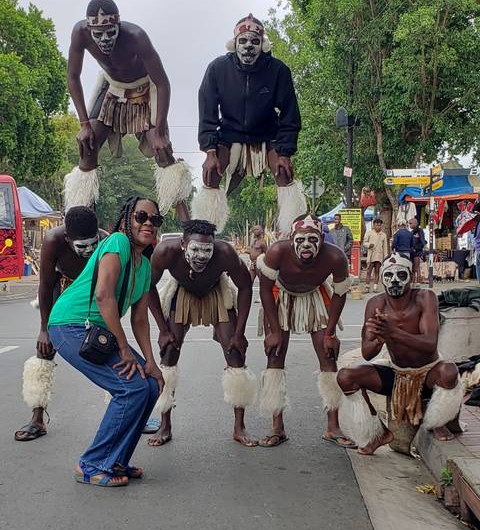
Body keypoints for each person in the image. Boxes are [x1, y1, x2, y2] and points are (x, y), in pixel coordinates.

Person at [47, 197, 165, 487]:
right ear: (127, 219)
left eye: (155, 219)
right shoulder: (117, 244)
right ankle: (92, 465)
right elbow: (103, 295)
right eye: (141, 217)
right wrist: (124, 349)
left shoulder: (145, 265)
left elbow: (140, 318)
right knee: (131, 388)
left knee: (150, 385)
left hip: (97, 333)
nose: (148, 223)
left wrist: (151, 362)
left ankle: (116, 461)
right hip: (70, 325)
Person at [64, 0, 191, 216]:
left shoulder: (136, 37)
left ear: (118, 25)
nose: (104, 40)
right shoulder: (79, 33)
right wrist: (84, 124)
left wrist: (159, 132)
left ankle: (189, 226)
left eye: (110, 33)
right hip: (112, 88)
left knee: (162, 150)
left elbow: (162, 83)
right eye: (98, 34)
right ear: (89, 28)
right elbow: (73, 77)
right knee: (88, 145)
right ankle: (80, 221)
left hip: (145, 88)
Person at [336, 254, 464, 455]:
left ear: (411, 277)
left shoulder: (425, 297)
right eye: (389, 276)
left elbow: (430, 344)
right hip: (397, 375)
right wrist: (379, 338)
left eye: (401, 274)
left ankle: (437, 422)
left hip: (429, 373)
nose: (394, 280)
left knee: (449, 372)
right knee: (345, 376)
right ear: (382, 278)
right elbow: (367, 354)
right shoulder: (375, 304)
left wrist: (392, 332)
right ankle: (378, 433)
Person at [192, 13, 306, 235]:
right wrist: (209, 150)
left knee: (285, 173)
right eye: (242, 41)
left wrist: (284, 152)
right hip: (230, 133)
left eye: (254, 41)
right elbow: (207, 112)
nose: (248, 47)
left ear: (262, 45)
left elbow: (290, 114)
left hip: (266, 134)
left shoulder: (278, 70)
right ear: (234, 43)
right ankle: (203, 232)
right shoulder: (217, 68)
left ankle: (294, 233)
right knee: (211, 173)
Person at [148, 219, 257, 448]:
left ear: (214, 246)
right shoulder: (165, 252)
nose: (200, 256)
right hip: (182, 291)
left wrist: (239, 333)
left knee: (235, 353)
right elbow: (147, 286)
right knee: (169, 352)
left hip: (217, 290)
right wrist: (162, 329)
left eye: (207, 250)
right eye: (195, 249)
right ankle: (164, 425)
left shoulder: (225, 253)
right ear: (182, 244)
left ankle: (239, 427)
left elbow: (245, 287)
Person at [256, 213, 355, 448]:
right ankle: (277, 427)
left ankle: (333, 426)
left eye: (313, 239)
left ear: (322, 238)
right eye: (300, 240)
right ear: (291, 239)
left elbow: (340, 293)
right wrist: (274, 331)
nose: (307, 245)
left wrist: (330, 333)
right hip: (281, 296)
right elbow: (264, 290)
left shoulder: (335, 256)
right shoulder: (277, 252)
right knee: (275, 356)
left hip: (315, 296)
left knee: (328, 356)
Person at [15, 207, 108, 442]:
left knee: (108, 347)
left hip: (94, 293)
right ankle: (37, 417)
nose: (88, 251)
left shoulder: (106, 241)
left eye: (92, 244)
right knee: (43, 351)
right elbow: (45, 286)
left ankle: (124, 409)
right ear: (67, 239)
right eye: (81, 246)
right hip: (63, 289)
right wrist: (44, 329)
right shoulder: (53, 241)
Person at [363, 218, 388, 292]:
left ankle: (375, 287)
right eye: (377, 225)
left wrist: (385, 257)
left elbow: (385, 247)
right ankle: (367, 287)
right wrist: (369, 245)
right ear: (374, 225)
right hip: (371, 255)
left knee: (377, 271)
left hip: (379, 256)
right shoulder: (369, 233)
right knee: (369, 271)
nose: (378, 227)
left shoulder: (383, 235)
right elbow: (364, 242)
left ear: (381, 226)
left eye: (379, 225)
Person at [409, 217, 426, 286]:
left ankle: (418, 281)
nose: (409, 225)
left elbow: (422, 242)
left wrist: (417, 248)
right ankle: (413, 281)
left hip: (417, 252)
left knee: (417, 267)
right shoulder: (411, 232)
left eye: (411, 223)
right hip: (412, 252)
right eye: (409, 223)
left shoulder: (420, 230)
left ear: (415, 223)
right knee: (412, 267)